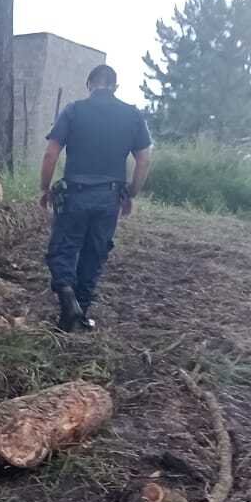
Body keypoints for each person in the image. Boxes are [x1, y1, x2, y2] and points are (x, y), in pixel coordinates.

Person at [39, 64, 153, 332]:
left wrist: (45, 189)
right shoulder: (132, 115)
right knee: (95, 252)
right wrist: (131, 193)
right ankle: (79, 314)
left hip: (74, 195)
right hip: (109, 197)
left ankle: (67, 299)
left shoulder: (74, 110)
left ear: (90, 84)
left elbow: (50, 154)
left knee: (64, 249)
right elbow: (144, 160)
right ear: (115, 86)